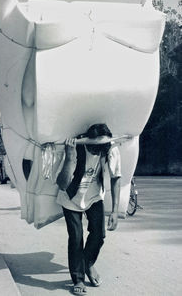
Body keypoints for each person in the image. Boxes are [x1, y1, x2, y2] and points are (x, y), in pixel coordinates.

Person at [56, 123, 121, 296]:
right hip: (71, 197)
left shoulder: (110, 148)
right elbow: (62, 185)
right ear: (87, 142)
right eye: (94, 148)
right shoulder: (75, 147)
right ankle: (78, 279)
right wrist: (70, 158)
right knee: (76, 237)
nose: (97, 151)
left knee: (99, 234)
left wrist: (114, 210)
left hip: (94, 197)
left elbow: (116, 178)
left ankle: (88, 263)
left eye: (101, 148)